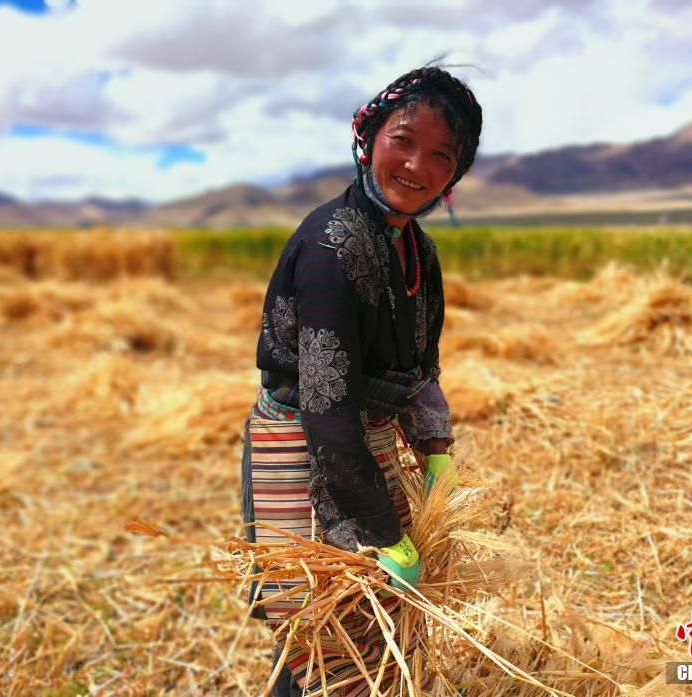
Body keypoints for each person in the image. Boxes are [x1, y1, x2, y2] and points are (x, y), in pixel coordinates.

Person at [240, 65, 482, 696]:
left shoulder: (415, 248)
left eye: (441, 154)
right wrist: (382, 531)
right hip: (304, 446)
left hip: (360, 444)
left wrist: (436, 450)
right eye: (402, 140)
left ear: (455, 172)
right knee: (323, 633)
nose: (416, 166)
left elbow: (420, 366)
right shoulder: (333, 247)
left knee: (363, 636)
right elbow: (326, 406)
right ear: (368, 137)